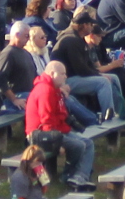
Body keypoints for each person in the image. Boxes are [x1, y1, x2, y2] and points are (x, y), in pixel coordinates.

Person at [23, 60, 94, 190]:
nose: (65, 76)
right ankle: (67, 175)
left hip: (55, 131)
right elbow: (46, 121)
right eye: (62, 74)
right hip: (41, 135)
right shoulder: (45, 91)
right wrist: (57, 144)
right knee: (78, 145)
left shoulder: (54, 89)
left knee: (88, 143)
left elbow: (60, 114)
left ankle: (80, 176)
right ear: (52, 74)